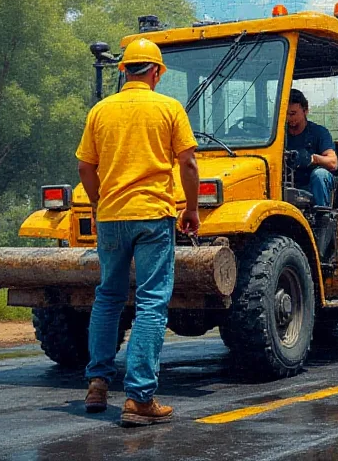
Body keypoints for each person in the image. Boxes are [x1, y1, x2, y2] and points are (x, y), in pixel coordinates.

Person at [76, 38, 200, 427]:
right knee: (150, 302)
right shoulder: (168, 107)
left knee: (108, 298)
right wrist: (192, 209)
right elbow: (189, 163)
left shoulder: (100, 110)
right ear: (157, 72)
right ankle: (139, 398)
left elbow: (84, 168)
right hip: (153, 216)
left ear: (122, 70)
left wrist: (99, 205)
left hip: (111, 217)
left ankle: (97, 384)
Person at [285, 89, 338, 206]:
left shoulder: (319, 133)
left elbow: (333, 162)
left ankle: (322, 216)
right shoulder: (279, 135)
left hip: (311, 185)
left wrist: (312, 159)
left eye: (293, 114)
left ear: (305, 111)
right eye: (285, 114)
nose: (289, 118)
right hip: (287, 185)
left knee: (320, 174)